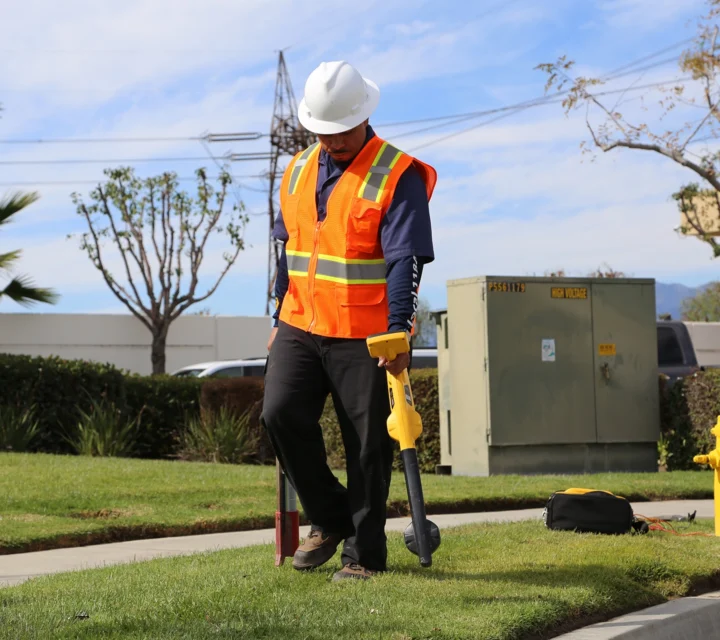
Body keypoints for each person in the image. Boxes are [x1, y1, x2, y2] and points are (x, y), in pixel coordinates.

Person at [261, 60, 436, 582]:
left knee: (368, 445)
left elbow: (405, 257)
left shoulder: (396, 172)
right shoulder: (295, 170)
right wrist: (277, 311)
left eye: (341, 132)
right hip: (300, 322)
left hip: (366, 332)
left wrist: (399, 328)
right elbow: (285, 246)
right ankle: (333, 518)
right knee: (280, 414)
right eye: (322, 132)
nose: (332, 141)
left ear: (364, 117)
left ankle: (363, 556)